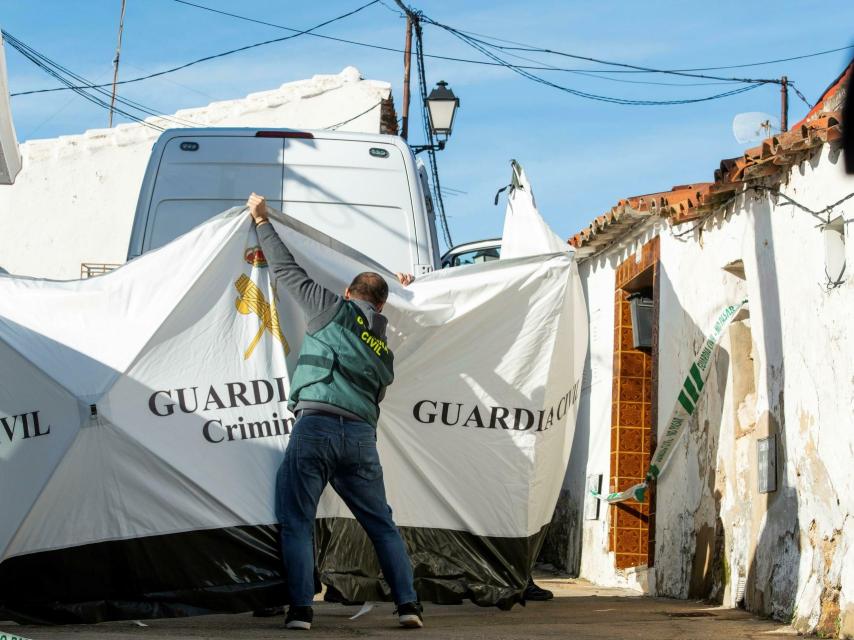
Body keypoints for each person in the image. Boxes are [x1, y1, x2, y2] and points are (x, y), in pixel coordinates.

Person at [247, 194, 422, 631]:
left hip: (316, 428)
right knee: (381, 525)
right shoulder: (385, 352)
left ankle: (302, 612)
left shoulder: (331, 311)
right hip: (360, 439)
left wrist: (262, 221)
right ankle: (409, 607)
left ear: (349, 293)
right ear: (381, 306)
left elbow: (286, 271)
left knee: (297, 520)